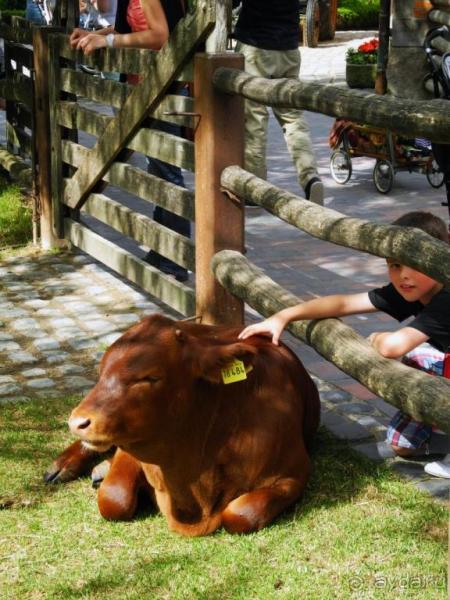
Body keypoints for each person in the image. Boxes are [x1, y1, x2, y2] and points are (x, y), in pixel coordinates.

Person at [239, 211, 450, 477]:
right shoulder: (412, 289)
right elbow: (344, 303)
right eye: (395, 265)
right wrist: (284, 315)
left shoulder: (446, 297)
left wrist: (377, 338)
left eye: (414, 266)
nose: (404, 276)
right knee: (402, 445)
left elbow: (393, 347)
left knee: (419, 355)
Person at [70, 0, 190, 282]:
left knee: (168, 173)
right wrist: (97, 35)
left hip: (163, 89)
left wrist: (108, 41)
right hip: (148, 87)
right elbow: (134, 27)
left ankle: (177, 258)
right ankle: (163, 251)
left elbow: (159, 35)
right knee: (159, 170)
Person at [232, 0, 324, 205]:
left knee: (254, 118)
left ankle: (255, 186)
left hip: (256, 45)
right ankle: (310, 177)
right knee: (293, 118)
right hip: (288, 48)